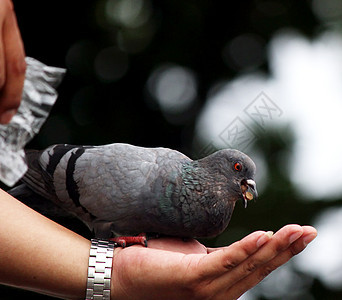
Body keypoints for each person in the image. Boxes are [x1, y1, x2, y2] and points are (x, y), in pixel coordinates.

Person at [0, 1, 317, 299]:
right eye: (238, 170)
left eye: (246, 177)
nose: (245, 181)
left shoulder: (209, 217)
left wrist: (114, 278)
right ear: (221, 167)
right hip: (57, 178)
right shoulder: (144, 179)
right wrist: (117, 273)